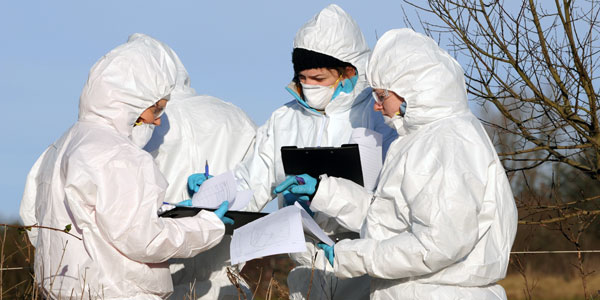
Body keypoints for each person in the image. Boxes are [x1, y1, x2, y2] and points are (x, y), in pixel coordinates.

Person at [294, 28, 518, 299]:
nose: (376, 106)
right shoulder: (418, 137)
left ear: (410, 89)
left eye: (381, 96)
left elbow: (439, 244)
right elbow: (388, 217)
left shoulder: (448, 142)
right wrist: (323, 191)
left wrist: (353, 256)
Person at [19, 33, 231, 299]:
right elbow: (143, 239)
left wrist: (164, 212)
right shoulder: (119, 154)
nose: (156, 122)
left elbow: (36, 217)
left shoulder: (60, 147)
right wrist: (206, 226)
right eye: (157, 110)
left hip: (61, 288)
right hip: (116, 292)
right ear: (133, 101)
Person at [220, 4, 397, 300]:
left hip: (363, 262)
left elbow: (395, 193)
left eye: (319, 79)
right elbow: (253, 180)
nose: (308, 86)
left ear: (348, 73)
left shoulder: (377, 115)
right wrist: (215, 201)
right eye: (303, 77)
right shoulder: (284, 120)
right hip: (306, 262)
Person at [142, 35, 256, 300]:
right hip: (225, 287)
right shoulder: (233, 117)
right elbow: (258, 190)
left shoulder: (133, 125)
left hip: (152, 284)